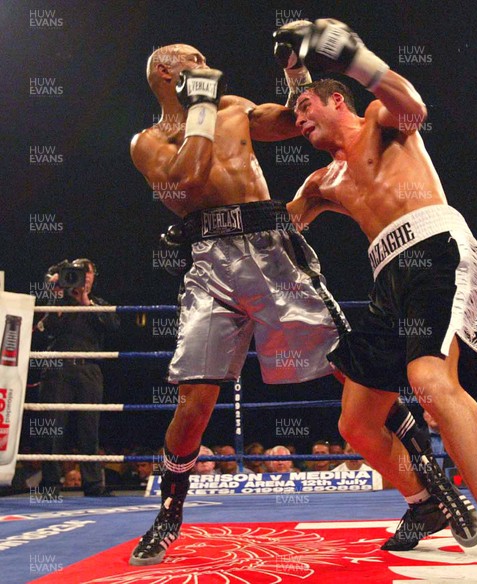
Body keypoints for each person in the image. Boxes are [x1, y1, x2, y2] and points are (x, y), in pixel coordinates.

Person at [276, 18, 477, 581]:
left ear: (336, 101)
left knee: (430, 382)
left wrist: (352, 57)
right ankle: (426, 502)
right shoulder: (322, 182)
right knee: (356, 423)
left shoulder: (379, 121)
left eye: (305, 112)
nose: (297, 124)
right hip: (386, 281)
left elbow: (410, 102)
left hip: (433, 248)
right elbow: (282, 227)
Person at [128, 43, 348, 566]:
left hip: (271, 250)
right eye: (192, 57)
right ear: (165, 71)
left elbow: (296, 122)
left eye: (208, 56)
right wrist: (200, 103)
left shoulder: (234, 109)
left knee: (350, 365)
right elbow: (189, 179)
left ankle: (428, 491)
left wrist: (297, 70)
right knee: (194, 400)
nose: (205, 61)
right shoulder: (148, 142)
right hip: (210, 262)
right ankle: (169, 513)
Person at [37, 258, 120, 498]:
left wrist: (84, 301)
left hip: (88, 370)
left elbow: (112, 326)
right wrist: (57, 294)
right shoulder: (58, 299)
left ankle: (94, 486)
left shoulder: (99, 304)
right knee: (52, 429)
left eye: (87, 271)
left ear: (93, 276)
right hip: (57, 369)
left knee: (89, 429)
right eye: (78, 271)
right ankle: (50, 486)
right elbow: (47, 328)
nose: (82, 275)